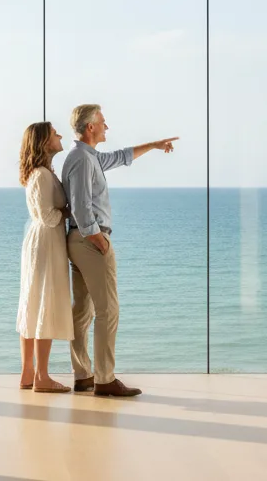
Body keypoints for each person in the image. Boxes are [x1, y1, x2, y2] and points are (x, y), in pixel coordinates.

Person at [61, 104, 177, 397]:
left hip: (80, 240)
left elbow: (121, 157)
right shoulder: (83, 160)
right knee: (108, 311)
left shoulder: (87, 156)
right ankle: (104, 379)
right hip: (90, 241)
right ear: (91, 127)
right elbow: (81, 206)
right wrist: (98, 239)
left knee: (82, 311)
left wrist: (154, 145)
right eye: (103, 122)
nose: (107, 126)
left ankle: (84, 375)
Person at [16, 122, 74, 393]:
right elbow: (48, 217)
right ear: (43, 142)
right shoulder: (41, 175)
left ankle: (28, 374)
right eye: (54, 133)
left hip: (43, 242)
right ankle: (41, 376)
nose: (60, 135)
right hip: (46, 243)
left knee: (34, 302)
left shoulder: (42, 173)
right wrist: (69, 211)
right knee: (43, 303)